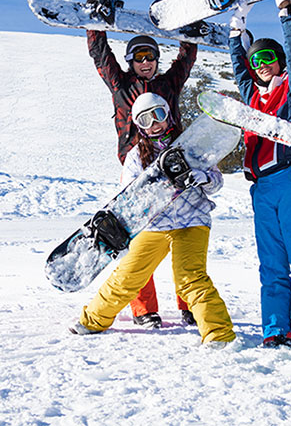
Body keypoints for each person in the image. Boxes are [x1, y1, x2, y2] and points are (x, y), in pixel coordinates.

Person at [70, 93, 236, 346]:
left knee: (190, 277)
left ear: (167, 114)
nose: (154, 123)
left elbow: (216, 182)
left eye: (158, 114)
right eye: (146, 120)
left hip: (192, 220)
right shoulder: (136, 156)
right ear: (139, 126)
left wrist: (202, 178)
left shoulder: (191, 145)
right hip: (156, 223)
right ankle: (93, 320)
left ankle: (219, 335)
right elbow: (131, 195)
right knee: (128, 275)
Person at [85, 0, 198, 328]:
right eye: (139, 56)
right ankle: (144, 308)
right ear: (131, 60)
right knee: (135, 237)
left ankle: (188, 302)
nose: (146, 62)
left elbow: (187, 56)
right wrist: (96, 20)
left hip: (172, 165)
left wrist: (188, 25)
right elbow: (99, 54)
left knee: (183, 231)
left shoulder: (168, 84)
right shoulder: (121, 85)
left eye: (151, 56)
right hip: (135, 168)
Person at [228, 0, 291, 349]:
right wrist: (236, 31)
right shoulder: (252, 97)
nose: (262, 64)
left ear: (279, 61)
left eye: (268, 57)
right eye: (257, 61)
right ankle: (274, 328)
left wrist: (285, 10)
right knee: (271, 265)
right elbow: (239, 67)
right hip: (262, 187)